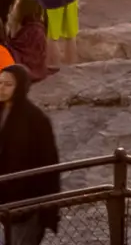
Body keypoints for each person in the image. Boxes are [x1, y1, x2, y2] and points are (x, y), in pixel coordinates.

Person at [0, 64, 61, 245]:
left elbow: (49, 165)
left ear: (20, 87)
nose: (1, 88)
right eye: (0, 83)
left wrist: (49, 209)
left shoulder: (36, 120)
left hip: (25, 202)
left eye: (8, 84)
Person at [4, 0, 52, 83]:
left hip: (28, 67)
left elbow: (26, 54)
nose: (12, 8)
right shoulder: (19, 25)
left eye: (16, 6)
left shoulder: (36, 31)